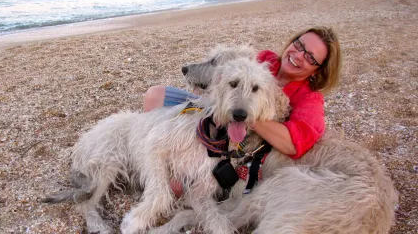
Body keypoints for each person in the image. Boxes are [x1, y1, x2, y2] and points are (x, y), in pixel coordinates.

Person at [144, 27, 342, 194]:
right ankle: (148, 152)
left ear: (318, 70)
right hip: (214, 108)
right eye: (299, 45)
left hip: (236, 139)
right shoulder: (265, 59)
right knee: (155, 95)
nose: (298, 55)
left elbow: (293, 144)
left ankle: (159, 167)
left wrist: (245, 111)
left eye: (310, 57)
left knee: (177, 185)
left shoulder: (310, 98)